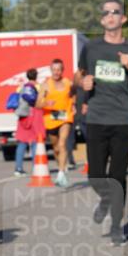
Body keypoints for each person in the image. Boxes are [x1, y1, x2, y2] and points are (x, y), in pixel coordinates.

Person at [75, 0, 128, 245]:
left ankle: (117, 225)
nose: (110, 15)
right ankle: (106, 199)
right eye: (106, 12)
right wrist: (81, 83)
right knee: (95, 176)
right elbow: (79, 74)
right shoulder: (92, 48)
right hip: (96, 117)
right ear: (102, 20)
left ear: (123, 19)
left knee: (117, 176)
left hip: (123, 119)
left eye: (115, 12)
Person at [41, 59, 75, 187]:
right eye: (54, 69)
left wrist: (74, 104)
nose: (56, 72)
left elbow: (73, 94)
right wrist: (45, 103)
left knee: (62, 144)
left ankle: (61, 173)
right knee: (55, 148)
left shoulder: (68, 83)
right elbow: (38, 103)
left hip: (65, 117)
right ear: (51, 70)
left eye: (59, 69)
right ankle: (61, 165)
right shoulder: (45, 85)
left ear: (62, 70)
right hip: (50, 119)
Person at [13, 68, 44, 176]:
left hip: (22, 117)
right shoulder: (37, 86)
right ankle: (36, 166)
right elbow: (38, 101)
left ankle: (18, 168)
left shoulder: (21, 87)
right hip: (33, 117)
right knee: (35, 142)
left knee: (22, 143)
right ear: (36, 76)